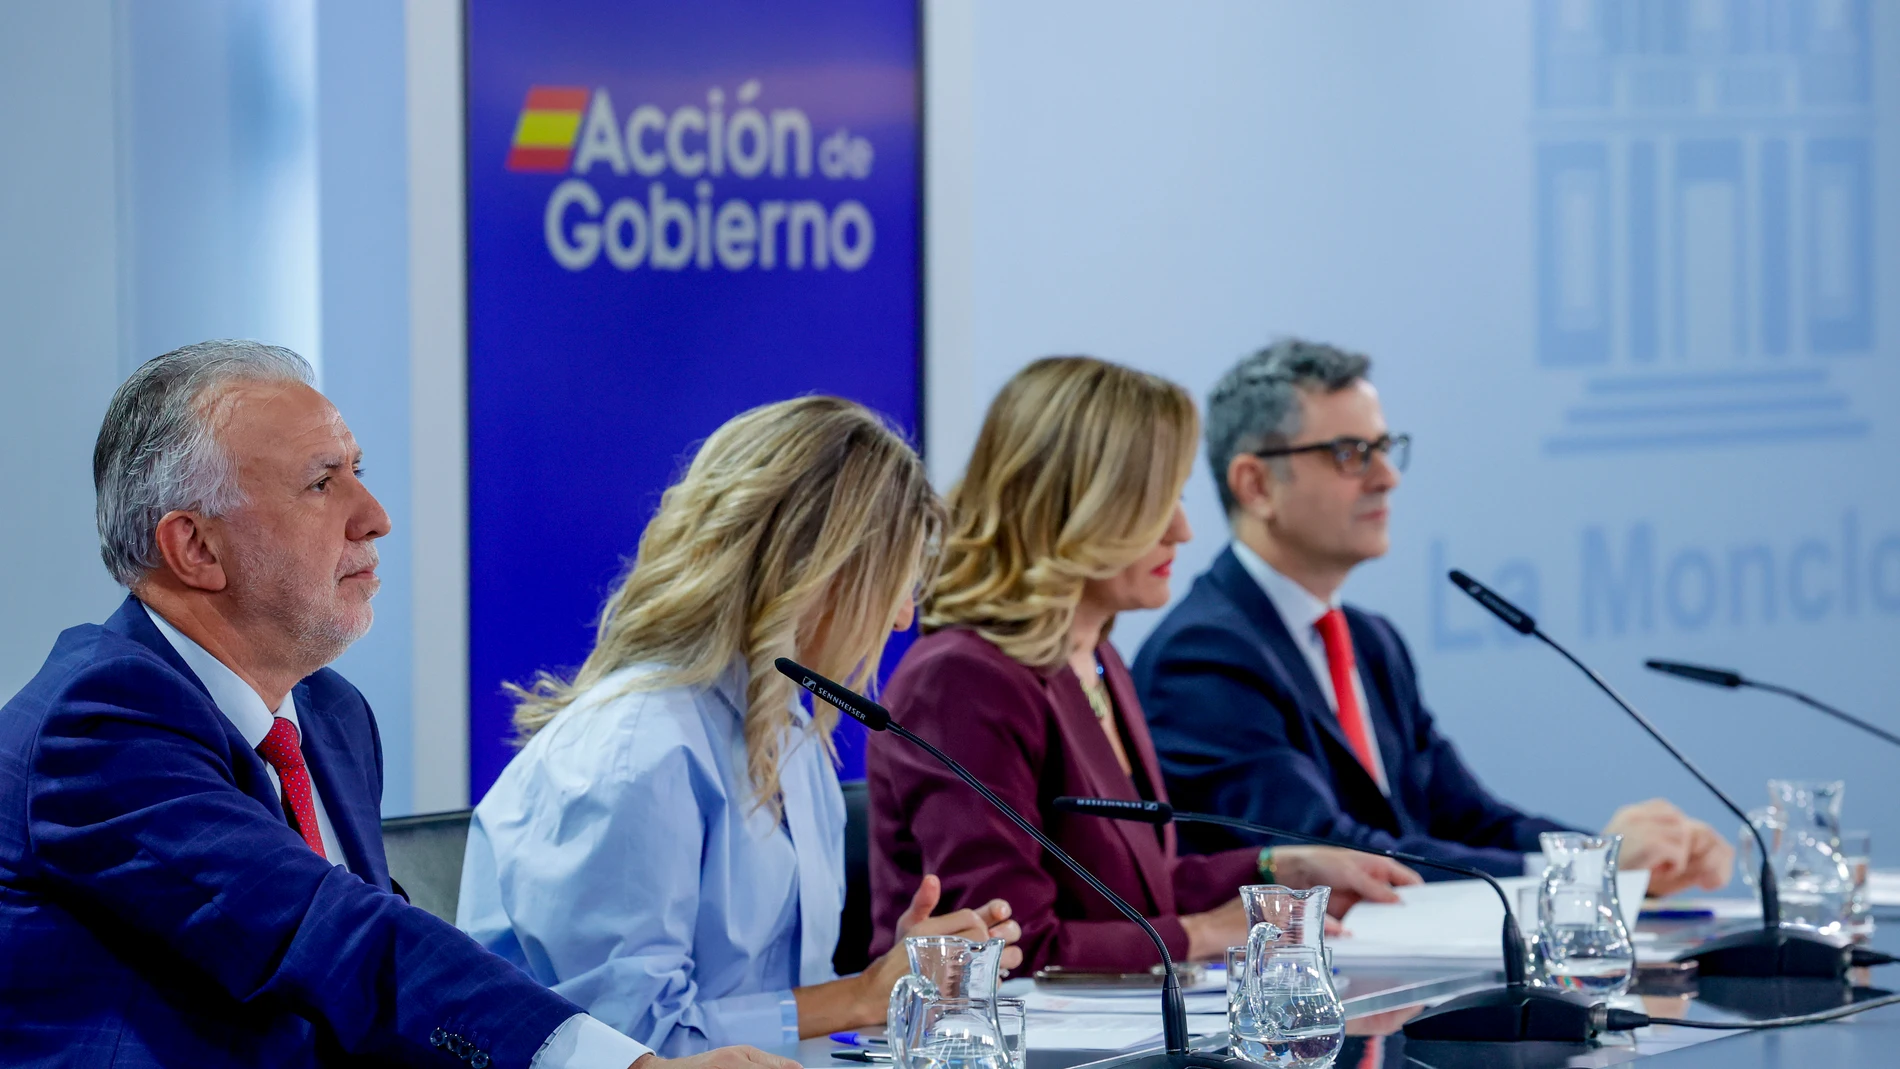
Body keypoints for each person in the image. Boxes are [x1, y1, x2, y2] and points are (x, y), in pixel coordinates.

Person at [0, 340, 793, 1069]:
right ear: (196, 547)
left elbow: (387, 995)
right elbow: (332, 937)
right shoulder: (100, 719)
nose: (374, 515)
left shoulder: (330, 716)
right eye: (322, 482)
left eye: (358, 468)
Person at [457, 397, 1021, 1056]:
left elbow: (765, 1004)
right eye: (891, 585)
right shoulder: (634, 748)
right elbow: (630, 1044)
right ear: (813, 572)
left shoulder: (788, 730)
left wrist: (894, 980)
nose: (901, 620)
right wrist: (859, 994)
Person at [868, 357, 1419, 975]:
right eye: (1159, 502)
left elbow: (1135, 891)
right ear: (1077, 506)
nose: (1183, 530)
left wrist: (1277, 867)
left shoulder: (1097, 656)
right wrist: (1208, 932)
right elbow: (1004, 948)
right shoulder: (963, 680)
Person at [1133, 339, 1734, 893]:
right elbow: (1333, 855)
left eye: (1385, 449)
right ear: (1255, 484)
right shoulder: (1204, 656)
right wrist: (1587, 874)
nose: (1387, 478)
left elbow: (1469, 820)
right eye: (1351, 454)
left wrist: (1614, 858)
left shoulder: (1371, 642)